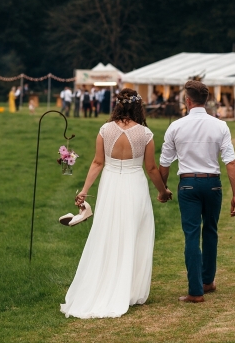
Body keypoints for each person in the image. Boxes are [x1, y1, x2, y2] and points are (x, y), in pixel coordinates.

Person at [61, 88, 171, 319]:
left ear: (118, 105)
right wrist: (163, 191)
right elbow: (151, 168)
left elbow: (97, 162)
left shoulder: (105, 130)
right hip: (134, 184)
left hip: (110, 184)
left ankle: (107, 284)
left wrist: (85, 191)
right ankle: (130, 290)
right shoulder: (145, 134)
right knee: (134, 233)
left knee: (107, 232)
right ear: (138, 106)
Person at [159, 80, 235, 303]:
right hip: (213, 184)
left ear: (187, 101)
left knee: (192, 235)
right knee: (211, 231)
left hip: (188, 185)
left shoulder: (175, 126)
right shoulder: (220, 126)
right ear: (207, 100)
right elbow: (231, 162)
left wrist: (163, 189)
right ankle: (208, 281)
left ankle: (195, 291)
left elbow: (165, 163)